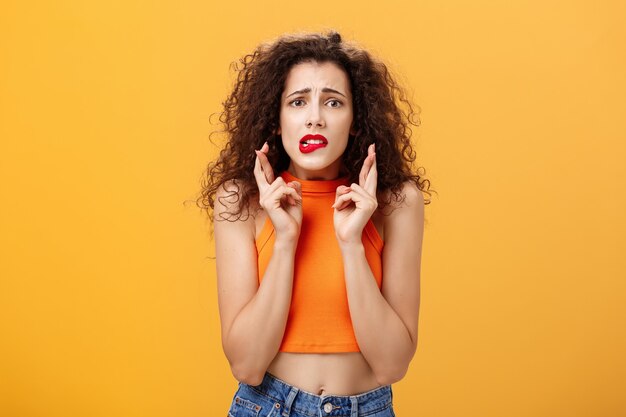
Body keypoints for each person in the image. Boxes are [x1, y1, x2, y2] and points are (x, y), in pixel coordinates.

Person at [198, 30, 433, 417]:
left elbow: (393, 366)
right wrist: (286, 241)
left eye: (334, 102)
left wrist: (352, 244)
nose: (315, 118)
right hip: (267, 406)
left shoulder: (395, 202)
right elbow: (247, 364)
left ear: (356, 121)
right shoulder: (239, 200)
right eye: (298, 102)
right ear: (276, 120)